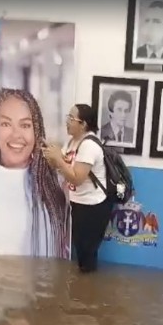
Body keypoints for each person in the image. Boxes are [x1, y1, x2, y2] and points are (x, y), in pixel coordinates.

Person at [0, 88, 70, 258]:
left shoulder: (55, 183)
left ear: (36, 132)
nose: (16, 135)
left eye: (25, 125)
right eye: (6, 124)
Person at [42, 104, 113, 274]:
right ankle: (84, 286)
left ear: (83, 124)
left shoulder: (89, 146)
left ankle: (88, 287)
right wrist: (51, 154)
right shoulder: (72, 142)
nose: (67, 122)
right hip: (78, 202)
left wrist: (58, 159)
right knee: (80, 249)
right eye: (68, 117)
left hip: (93, 205)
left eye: (71, 118)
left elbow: (77, 178)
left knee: (87, 252)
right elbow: (62, 167)